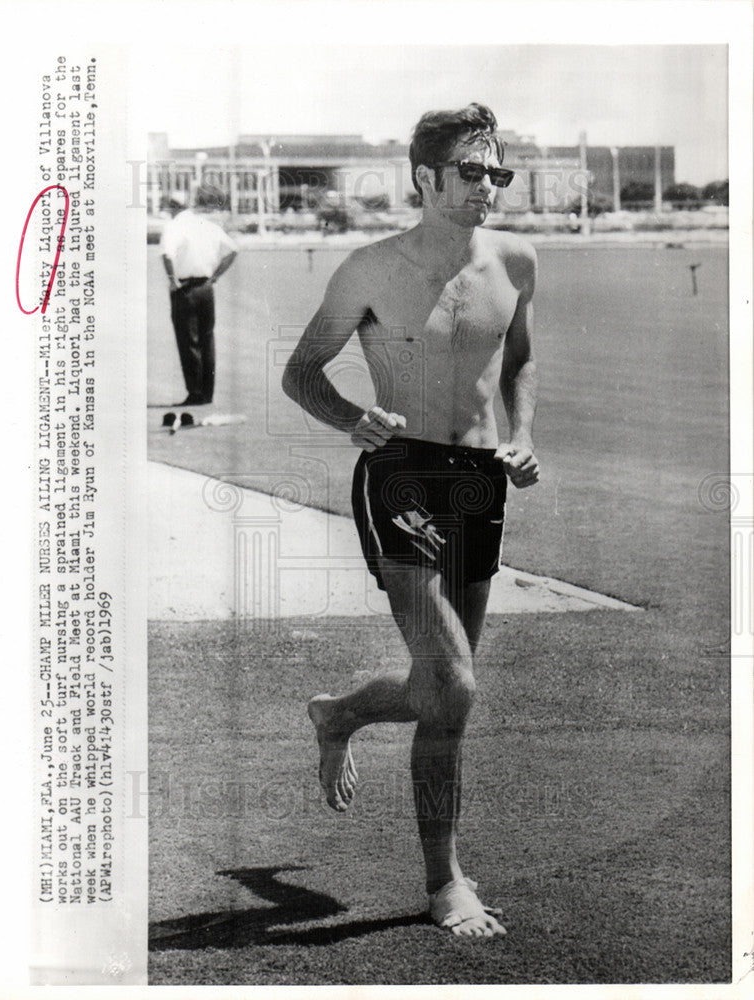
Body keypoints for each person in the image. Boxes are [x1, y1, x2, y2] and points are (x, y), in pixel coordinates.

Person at [282, 103, 539, 939]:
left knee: (444, 700)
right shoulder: (366, 269)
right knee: (453, 683)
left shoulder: (515, 260)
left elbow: (518, 356)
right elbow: (302, 374)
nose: (487, 189)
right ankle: (447, 878)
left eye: (497, 173)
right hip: (399, 478)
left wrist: (522, 435)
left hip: (478, 482)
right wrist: (350, 417)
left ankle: (344, 717)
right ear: (424, 178)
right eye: (471, 173)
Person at [161, 191, 238, 406]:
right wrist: (215, 276)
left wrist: (172, 280)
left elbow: (166, 254)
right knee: (207, 340)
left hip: (185, 288)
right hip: (206, 287)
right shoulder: (206, 224)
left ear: (172, 207)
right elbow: (232, 250)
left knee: (188, 341)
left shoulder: (174, 226)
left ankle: (195, 392)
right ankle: (207, 393)